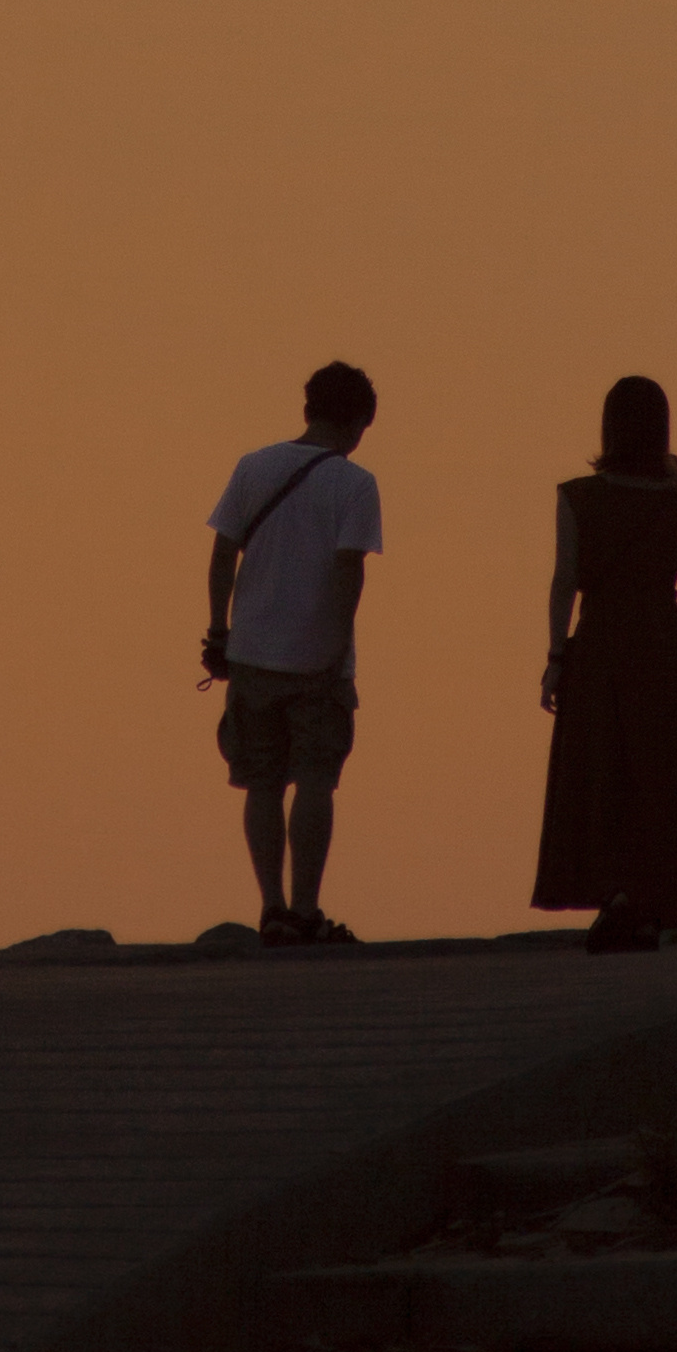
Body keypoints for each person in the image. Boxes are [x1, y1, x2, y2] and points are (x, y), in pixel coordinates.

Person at [532, 370, 677, 951]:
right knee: (664, 775)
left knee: (603, 770)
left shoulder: (577, 496)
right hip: (663, 643)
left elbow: (565, 579)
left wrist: (555, 655)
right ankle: (653, 895)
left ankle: (617, 892)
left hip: (601, 643)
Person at [202, 362, 382, 949]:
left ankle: (272, 908)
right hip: (319, 658)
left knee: (260, 783)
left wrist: (218, 631)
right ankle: (306, 909)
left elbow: (223, 553)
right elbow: (348, 570)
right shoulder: (355, 484)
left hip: (252, 652)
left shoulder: (253, 467)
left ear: (307, 407)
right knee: (315, 780)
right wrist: (335, 644)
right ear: (357, 421)